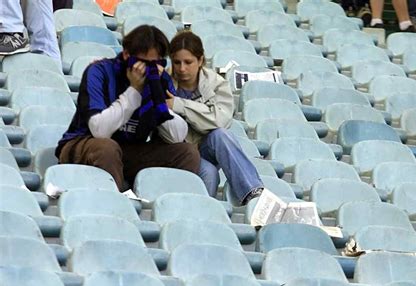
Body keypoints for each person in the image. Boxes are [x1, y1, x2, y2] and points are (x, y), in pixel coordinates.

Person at [55, 25, 200, 191]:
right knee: (107, 148)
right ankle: (113, 206)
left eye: (156, 63)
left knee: (187, 152)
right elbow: (99, 130)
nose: (148, 70)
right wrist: (134, 91)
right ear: (126, 55)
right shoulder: (100, 72)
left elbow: (176, 136)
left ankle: (171, 208)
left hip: (130, 149)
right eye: (143, 63)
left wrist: (156, 93)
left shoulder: (160, 79)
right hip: (84, 144)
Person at [166, 31, 264, 205]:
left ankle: (254, 196)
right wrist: (203, 113)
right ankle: (205, 215)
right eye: (177, 62)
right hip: (175, 151)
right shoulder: (162, 82)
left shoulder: (217, 84)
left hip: (205, 146)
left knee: (221, 135)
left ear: (201, 61)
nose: (182, 68)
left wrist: (179, 105)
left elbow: (220, 121)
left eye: (188, 62)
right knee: (209, 173)